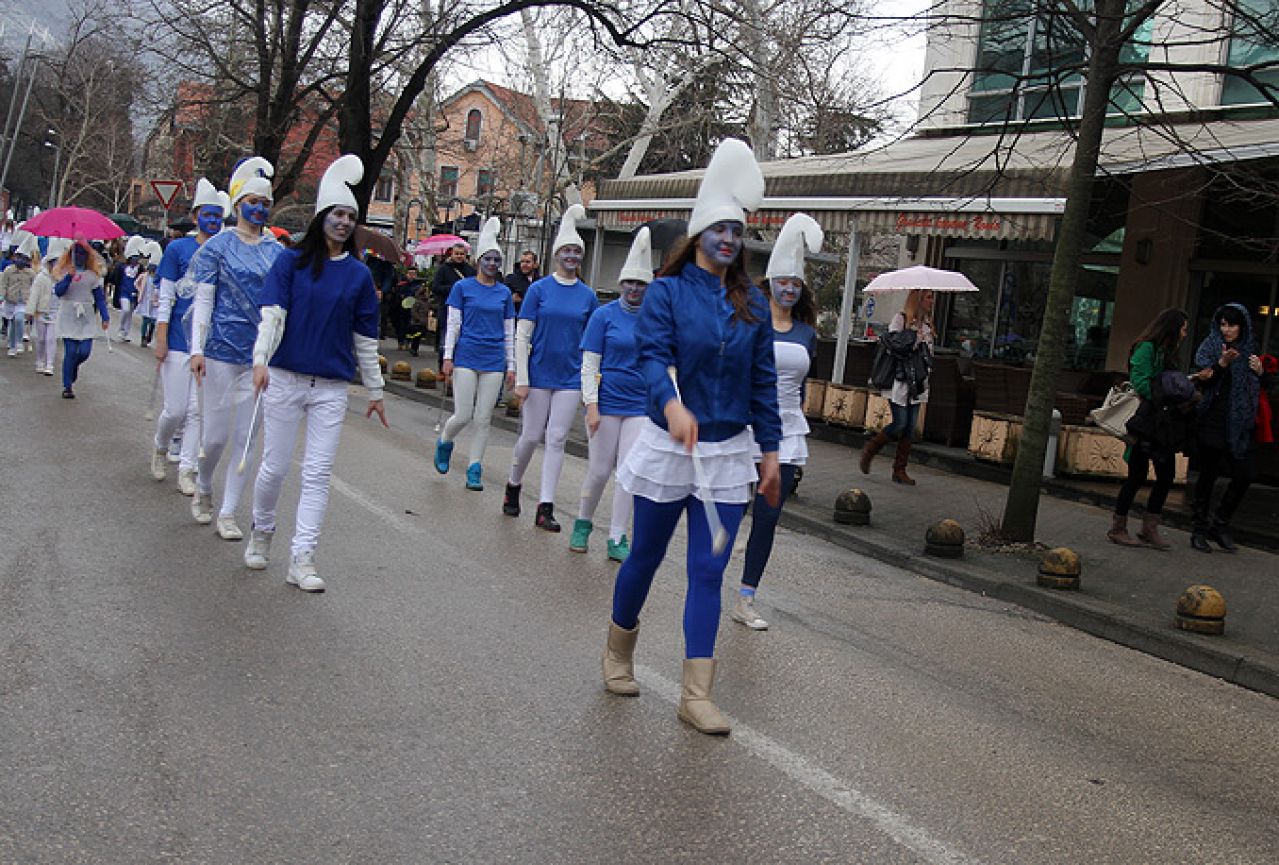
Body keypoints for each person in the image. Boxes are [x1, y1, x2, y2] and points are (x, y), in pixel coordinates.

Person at [602, 139, 781, 736]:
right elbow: (652, 359)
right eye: (721, 227)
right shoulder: (667, 292)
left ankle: (695, 695)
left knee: (708, 572)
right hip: (667, 446)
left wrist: (772, 452)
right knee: (646, 558)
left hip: (727, 455)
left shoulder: (752, 302)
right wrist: (672, 406)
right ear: (700, 232)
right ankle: (618, 653)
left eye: (739, 230)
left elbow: (763, 386)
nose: (730, 239)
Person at [245, 154, 387, 593]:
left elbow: (366, 339)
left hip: (330, 386)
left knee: (317, 473)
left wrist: (377, 392)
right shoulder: (291, 263)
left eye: (350, 217)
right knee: (274, 467)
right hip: (285, 377)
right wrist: (260, 361)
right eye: (338, 214)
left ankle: (302, 557)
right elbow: (272, 314)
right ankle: (262, 530)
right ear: (323, 216)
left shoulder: (360, 276)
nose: (344, 222)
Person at [733, 213, 821, 630]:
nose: (789, 289)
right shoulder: (747, 321)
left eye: (797, 284)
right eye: (783, 281)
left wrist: (799, 412)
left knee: (767, 516)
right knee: (730, 510)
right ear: (769, 283)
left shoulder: (806, 332)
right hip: (742, 425)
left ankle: (746, 597)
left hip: (785, 431)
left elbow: (803, 384)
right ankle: (707, 578)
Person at [189, 156, 284, 539]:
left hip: (258, 357)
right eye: (252, 202)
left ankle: (228, 513)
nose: (259, 209)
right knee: (214, 437)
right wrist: (197, 348)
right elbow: (204, 300)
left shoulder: (276, 252)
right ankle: (204, 485)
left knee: (246, 439)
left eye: (265, 204)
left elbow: (279, 305)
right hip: (218, 351)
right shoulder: (218, 247)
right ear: (239, 202)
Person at [504, 204, 597, 530]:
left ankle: (546, 506)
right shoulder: (539, 289)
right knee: (530, 436)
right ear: (557, 254)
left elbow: (592, 344)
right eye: (567, 251)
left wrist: (590, 387)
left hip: (570, 377)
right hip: (539, 374)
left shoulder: (588, 296)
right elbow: (522, 334)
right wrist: (522, 377)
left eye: (576, 251)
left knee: (557, 438)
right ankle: (513, 485)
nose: (571, 256)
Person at [569, 227, 654, 561]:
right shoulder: (603, 316)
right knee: (600, 470)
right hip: (606, 403)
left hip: (640, 406)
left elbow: (664, 364)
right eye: (629, 282)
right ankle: (583, 521)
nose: (634, 289)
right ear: (621, 284)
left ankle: (617, 535)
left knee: (629, 473)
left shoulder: (657, 319)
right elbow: (589, 364)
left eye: (641, 284)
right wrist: (591, 406)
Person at [150, 179, 228, 493]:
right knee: (176, 410)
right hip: (179, 343)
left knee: (198, 410)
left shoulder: (225, 250)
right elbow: (167, 295)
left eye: (218, 216)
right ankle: (160, 445)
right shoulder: (178, 249)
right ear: (196, 216)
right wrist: (161, 335)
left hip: (209, 343)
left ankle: (187, 468)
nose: (213, 221)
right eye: (208, 214)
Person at [434, 217, 515, 490]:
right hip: (466, 356)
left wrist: (511, 365)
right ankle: (446, 440)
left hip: (494, 360)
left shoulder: (504, 293)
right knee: (464, 414)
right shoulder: (462, 288)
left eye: (497, 260)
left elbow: (509, 332)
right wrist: (447, 356)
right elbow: (453, 325)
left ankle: (474, 467)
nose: (492, 264)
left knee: (484, 418)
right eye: (488, 259)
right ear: (479, 260)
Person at [1107, 308, 1195, 550]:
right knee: (1137, 475)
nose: (1185, 334)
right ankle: (1118, 527)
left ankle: (1149, 527)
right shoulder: (1146, 348)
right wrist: (1168, 395)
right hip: (1146, 424)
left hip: (1161, 426)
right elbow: (1142, 382)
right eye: (1184, 328)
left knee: (1165, 475)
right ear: (1172, 327)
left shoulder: (1166, 351)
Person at [1188, 303, 1271, 553]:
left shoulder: (1249, 350)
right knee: (1209, 474)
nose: (1227, 330)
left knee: (1246, 473)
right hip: (1214, 418)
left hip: (1241, 423)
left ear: (1242, 326)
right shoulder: (1211, 346)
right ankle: (1199, 529)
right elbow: (1204, 379)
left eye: (1232, 324)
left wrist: (1261, 372)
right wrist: (1221, 363)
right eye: (1223, 324)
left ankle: (1220, 523)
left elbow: (1260, 388)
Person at [860, 288, 935, 484]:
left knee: (910, 428)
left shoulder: (927, 325)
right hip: (900, 380)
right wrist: (911, 337)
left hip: (917, 381)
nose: (932, 301)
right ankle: (871, 449)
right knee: (900, 422)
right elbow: (892, 345)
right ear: (917, 299)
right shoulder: (901, 319)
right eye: (928, 297)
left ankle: (899, 469)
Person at [53, 238, 111, 398]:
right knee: (70, 351)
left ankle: (73, 367)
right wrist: (68, 277)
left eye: (83, 254)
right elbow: (58, 292)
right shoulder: (64, 271)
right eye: (76, 253)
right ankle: (67, 386)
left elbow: (99, 298)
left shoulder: (92, 276)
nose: (79, 256)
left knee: (84, 352)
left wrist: (105, 316)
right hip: (68, 313)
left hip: (85, 315)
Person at [25, 240, 68, 375]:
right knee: (41, 339)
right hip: (41, 312)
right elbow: (34, 295)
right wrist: (30, 311)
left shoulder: (64, 278)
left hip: (56, 312)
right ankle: (40, 360)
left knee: (51, 338)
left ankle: (49, 364)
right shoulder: (41, 277)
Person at [431, 244, 474, 365]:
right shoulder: (443, 269)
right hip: (446, 308)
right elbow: (435, 287)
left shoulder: (470, 271)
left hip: (466, 310)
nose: (459, 256)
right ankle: (443, 366)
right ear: (452, 254)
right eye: (457, 253)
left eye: (462, 254)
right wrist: (455, 288)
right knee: (445, 340)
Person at [1, 234, 37, 357]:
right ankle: (12, 345)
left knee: (19, 319)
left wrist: (33, 302)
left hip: (23, 302)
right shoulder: (8, 270)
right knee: (12, 323)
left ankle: (19, 341)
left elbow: (34, 288)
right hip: (10, 300)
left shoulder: (31, 273)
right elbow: (3, 284)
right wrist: (1, 297)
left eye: (24, 258)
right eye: (19, 257)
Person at [112, 237, 146, 342]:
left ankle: (125, 333)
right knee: (125, 310)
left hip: (133, 293)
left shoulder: (140, 269)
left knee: (130, 313)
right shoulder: (122, 267)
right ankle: (121, 328)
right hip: (123, 292)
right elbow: (114, 278)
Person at [135, 242, 163, 347]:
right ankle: (143, 338)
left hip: (155, 301)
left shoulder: (159, 279)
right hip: (145, 300)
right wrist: (140, 291)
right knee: (145, 319)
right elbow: (136, 283)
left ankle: (149, 336)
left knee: (153, 321)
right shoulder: (144, 276)